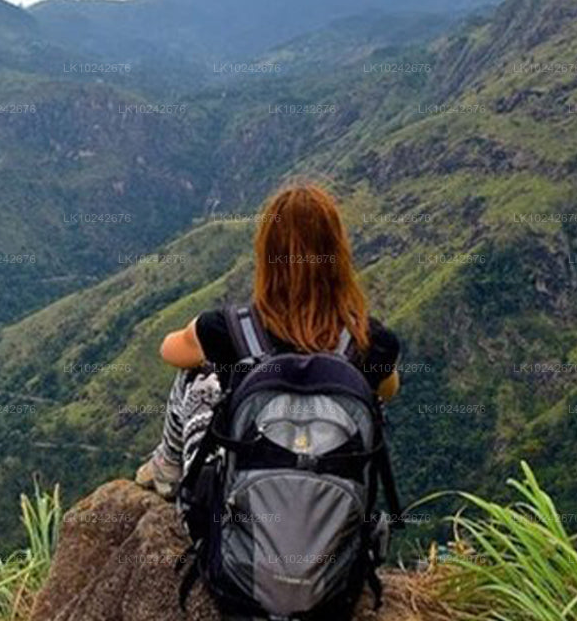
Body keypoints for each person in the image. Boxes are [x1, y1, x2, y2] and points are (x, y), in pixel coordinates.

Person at [136, 180, 401, 499]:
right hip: (333, 515)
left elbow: (168, 350)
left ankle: (167, 466)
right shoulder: (373, 342)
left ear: (266, 254)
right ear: (338, 254)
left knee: (196, 373)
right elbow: (387, 390)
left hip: (244, 514)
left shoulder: (227, 330)